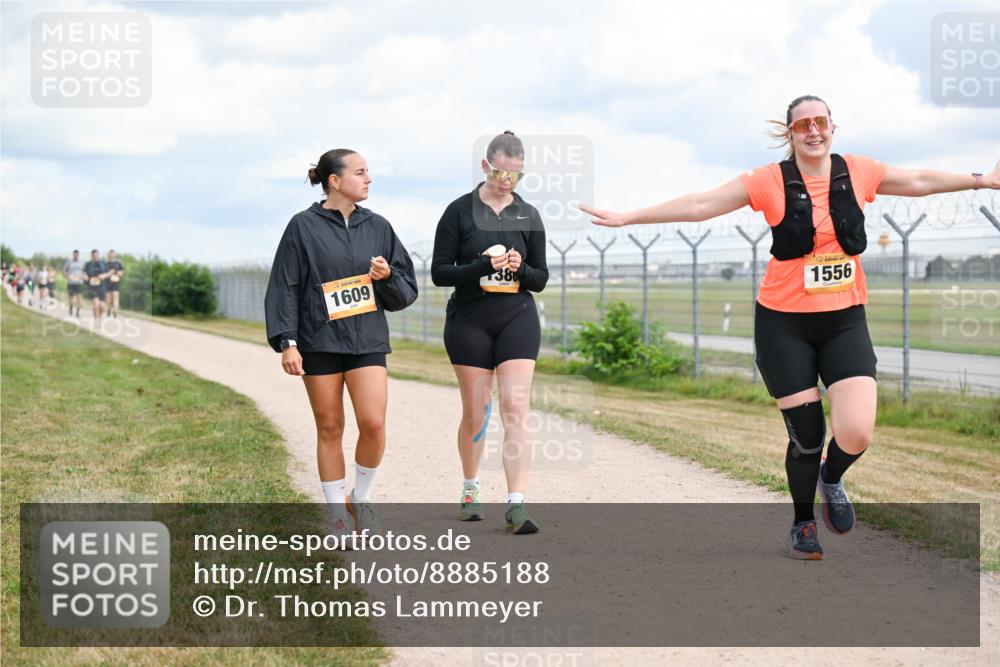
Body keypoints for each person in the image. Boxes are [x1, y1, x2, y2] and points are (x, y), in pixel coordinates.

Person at [581, 94, 1000, 560]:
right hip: (784, 325)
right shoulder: (768, 181)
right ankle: (803, 523)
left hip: (844, 322)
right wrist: (629, 216)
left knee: (857, 431)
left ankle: (832, 477)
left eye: (821, 121)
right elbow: (703, 204)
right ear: (790, 134)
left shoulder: (857, 170)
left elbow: (919, 179)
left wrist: (982, 180)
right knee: (806, 435)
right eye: (803, 125)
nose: (813, 130)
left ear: (833, 127)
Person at [265, 148, 417, 540]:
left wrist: (385, 277)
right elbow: (286, 285)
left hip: (367, 338)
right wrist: (287, 342)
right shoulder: (302, 226)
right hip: (319, 341)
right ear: (335, 181)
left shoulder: (379, 226)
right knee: (330, 427)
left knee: (374, 423)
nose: (369, 179)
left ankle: (360, 498)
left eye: (369, 172)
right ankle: (335, 515)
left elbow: (405, 292)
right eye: (361, 172)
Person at [431, 131, 549, 534]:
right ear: (486, 166)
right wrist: (483, 265)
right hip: (469, 318)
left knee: (515, 406)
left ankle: (516, 503)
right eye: (501, 172)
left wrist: (520, 268)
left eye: (516, 175)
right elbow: (440, 273)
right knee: (476, 412)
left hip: (516, 314)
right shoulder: (458, 212)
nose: (507, 182)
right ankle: (470, 487)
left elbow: (541, 278)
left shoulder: (528, 215)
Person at [83, 249, 110, 323]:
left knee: (103, 307)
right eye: (94, 256)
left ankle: (97, 316)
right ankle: (97, 320)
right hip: (92, 287)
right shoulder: (88, 264)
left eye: (97, 255)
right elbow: (84, 273)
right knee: (96, 304)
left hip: (102, 287)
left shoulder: (103, 263)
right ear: (91, 256)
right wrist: (85, 277)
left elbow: (109, 273)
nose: (95, 257)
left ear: (99, 255)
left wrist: (104, 275)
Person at [64, 250, 86, 318]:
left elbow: (85, 272)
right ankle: (71, 308)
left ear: (78, 255)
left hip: (79, 282)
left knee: (79, 297)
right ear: (73, 255)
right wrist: (67, 277)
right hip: (71, 282)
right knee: (71, 297)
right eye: (74, 254)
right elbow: (64, 270)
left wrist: (82, 276)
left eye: (77, 254)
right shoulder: (69, 262)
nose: (76, 256)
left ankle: (77, 312)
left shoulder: (82, 262)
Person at [104, 249, 125, 318]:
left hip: (116, 282)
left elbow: (121, 273)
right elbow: (104, 273)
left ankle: (115, 311)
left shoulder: (119, 263)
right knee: (108, 299)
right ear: (109, 255)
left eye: (113, 254)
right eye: (110, 254)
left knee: (115, 296)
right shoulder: (106, 264)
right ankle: (109, 309)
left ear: (115, 255)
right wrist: (109, 273)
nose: (112, 255)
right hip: (107, 283)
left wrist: (115, 272)